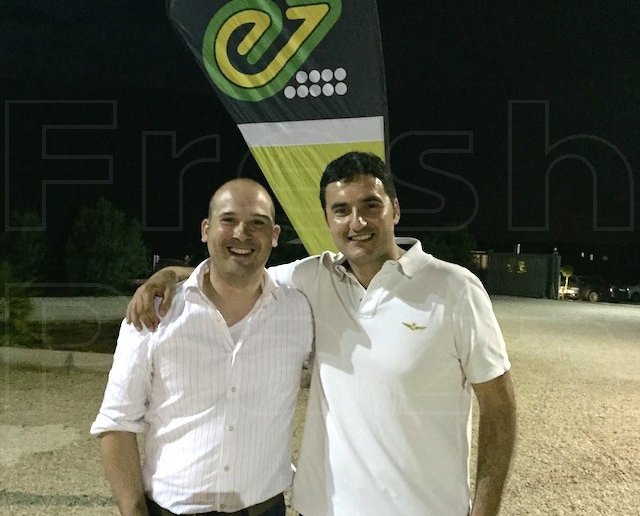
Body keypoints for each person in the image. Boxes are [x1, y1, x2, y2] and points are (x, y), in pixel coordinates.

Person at [128, 152, 517, 516]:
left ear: (395, 210)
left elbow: (499, 409)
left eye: (370, 206)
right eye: (341, 210)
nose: (357, 222)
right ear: (328, 221)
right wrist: (170, 274)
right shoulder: (313, 277)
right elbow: (235, 271)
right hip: (322, 507)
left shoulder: (454, 289)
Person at [91, 179, 313, 516]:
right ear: (206, 230)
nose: (242, 233)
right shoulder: (155, 313)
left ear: (274, 235)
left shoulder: (299, 311)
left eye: (257, 222)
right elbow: (117, 422)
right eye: (228, 220)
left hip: (265, 508)